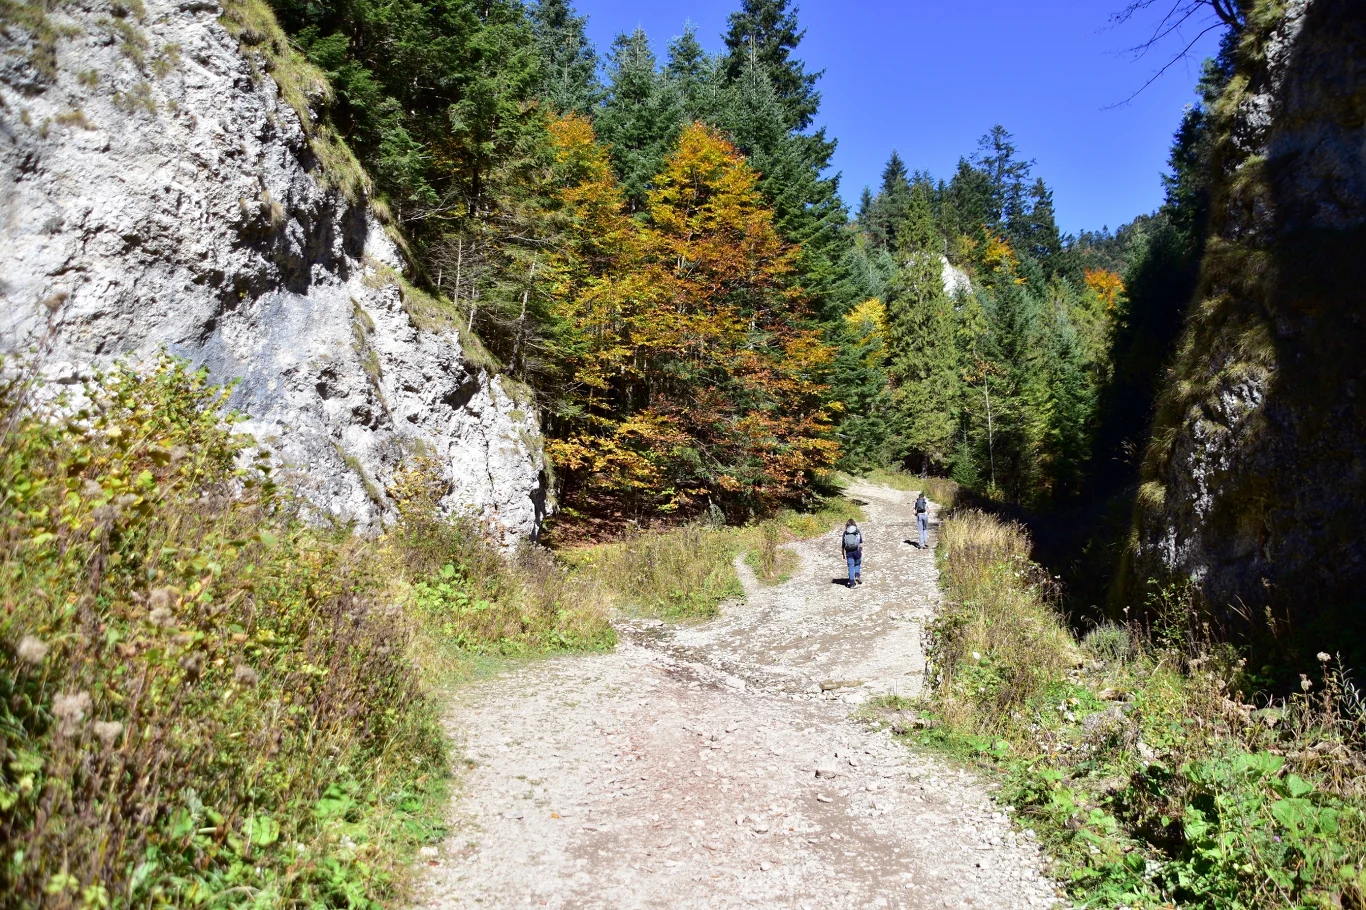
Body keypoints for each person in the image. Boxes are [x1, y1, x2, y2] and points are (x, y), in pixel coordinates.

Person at [840, 519, 864, 588]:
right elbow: (860, 542)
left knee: (851, 566)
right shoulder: (857, 531)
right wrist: (861, 549)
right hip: (857, 551)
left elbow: (843, 544)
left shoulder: (845, 533)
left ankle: (852, 582)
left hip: (849, 552)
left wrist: (843, 554)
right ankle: (857, 575)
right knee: (857, 564)